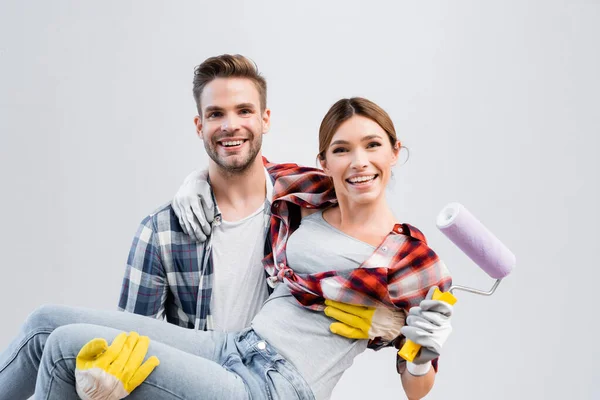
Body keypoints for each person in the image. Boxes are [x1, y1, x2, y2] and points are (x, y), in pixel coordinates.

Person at [0, 94, 453, 400]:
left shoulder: (412, 258)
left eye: (373, 145)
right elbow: (244, 164)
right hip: (236, 347)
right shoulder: (312, 195)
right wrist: (194, 181)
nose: (359, 161)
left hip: (274, 387)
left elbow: (416, 387)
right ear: (325, 161)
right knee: (45, 324)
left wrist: (421, 350)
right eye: (342, 149)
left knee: (66, 348)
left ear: (394, 151)